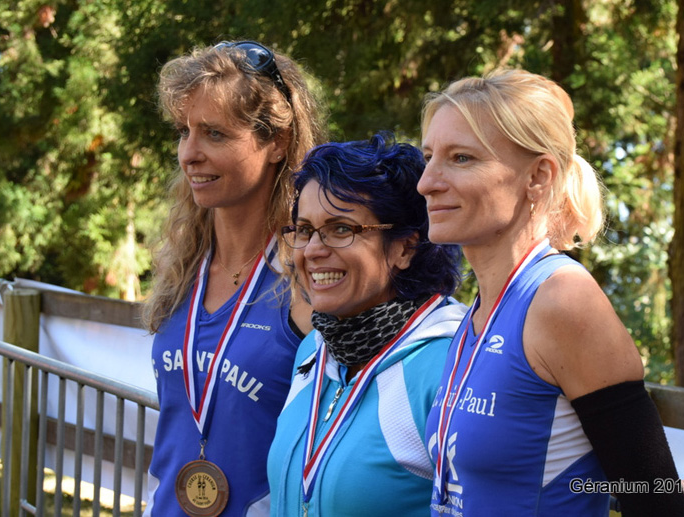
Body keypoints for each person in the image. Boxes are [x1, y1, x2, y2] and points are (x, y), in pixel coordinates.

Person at [419, 68, 684, 516]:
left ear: (538, 176)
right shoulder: (480, 313)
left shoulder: (561, 298)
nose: (426, 182)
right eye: (429, 156)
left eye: (461, 158)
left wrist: (656, 484)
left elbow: (654, 501)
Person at [142, 40, 327, 516]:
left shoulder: (307, 278)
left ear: (277, 143)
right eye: (184, 132)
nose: (189, 154)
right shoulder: (183, 270)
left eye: (215, 135)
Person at [266, 133, 466, 516]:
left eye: (342, 229)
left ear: (405, 247)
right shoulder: (316, 347)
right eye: (304, 229)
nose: (312, 250)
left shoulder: (448, 364)